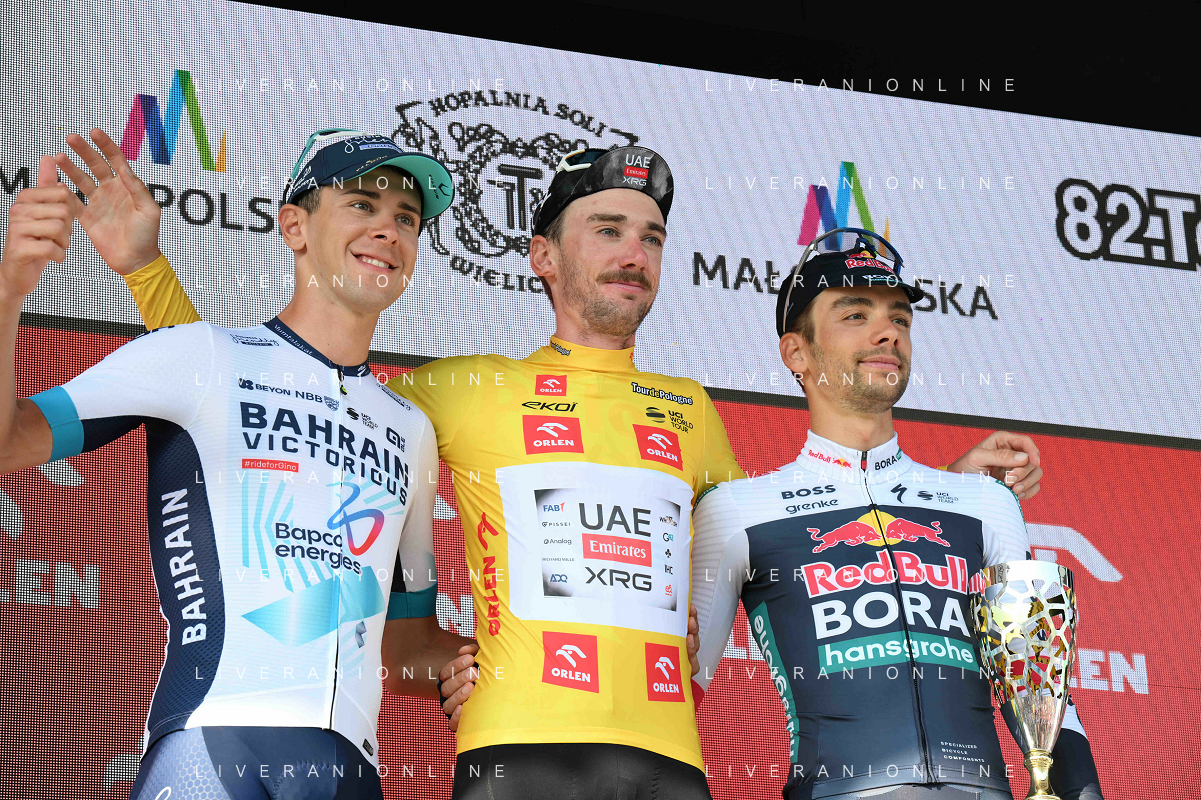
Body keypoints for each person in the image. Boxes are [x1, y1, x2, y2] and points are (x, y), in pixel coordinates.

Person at [107, 147, 1044, 800]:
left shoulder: (689, 408)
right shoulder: (459, 389)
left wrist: (939, 491)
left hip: (671, 764)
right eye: (607, 229)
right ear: (543, 257)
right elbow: (271, 397)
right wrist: (149, 274)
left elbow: (791, 537)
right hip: (516, 757)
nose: (634, 253)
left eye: (651, 237)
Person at [0, 127, 473, 800]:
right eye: (362, 205)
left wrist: (504, 665)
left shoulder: (410, 429)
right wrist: (9, 289)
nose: (388, 230)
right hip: (211, 743)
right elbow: (10, 440)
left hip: (348, 773)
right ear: (294, 226)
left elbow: (405, 650)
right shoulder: (199, 356)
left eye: (407, 219)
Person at [690, 230, 1101, 800]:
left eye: (900, 319)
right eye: (855, 314)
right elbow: (680, 689)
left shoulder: (984, 502)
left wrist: (1082, 793)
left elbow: (1039, 684)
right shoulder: (736, 509)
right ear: (796, 353)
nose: (888, 332)